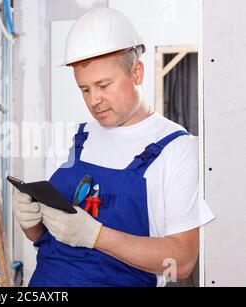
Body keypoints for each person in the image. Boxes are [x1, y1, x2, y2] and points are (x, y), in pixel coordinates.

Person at [13, 8, 214, 287]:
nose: (94, 100)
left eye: (104, 85)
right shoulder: (69, 141)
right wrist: (30, 221)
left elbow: (181, 263)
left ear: (137, 73)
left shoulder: (178, 149)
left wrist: (97, 236)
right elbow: (44, 237)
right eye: (85, 89)